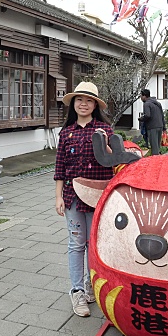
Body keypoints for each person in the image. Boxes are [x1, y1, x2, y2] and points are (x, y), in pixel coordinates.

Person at [54, 82, 114, 318]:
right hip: (71, 197)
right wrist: (58, 196)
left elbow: (112, 160)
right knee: (76, 243)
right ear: (74, 104)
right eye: (80, 100)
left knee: (93, 244)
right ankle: (77, 290)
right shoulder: (66, 132)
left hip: (97, 196)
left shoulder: (104, 130)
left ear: (95, 106)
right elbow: (60, 166)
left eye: (89, 101)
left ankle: (91, 285)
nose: (83, 104)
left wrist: (106, 144)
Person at [139, 88, 165, 155]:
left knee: (154, 147)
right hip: (160, 126)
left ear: (144, 96)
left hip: (152, 127)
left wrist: (141, 119)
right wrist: (164, 127)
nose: (141, 98)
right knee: (157, 146)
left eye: (141, 96)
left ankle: (155, 162)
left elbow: (147, 115)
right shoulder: (157, 103)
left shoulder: (147, 104)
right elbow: (162, 115)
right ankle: (159, 159)